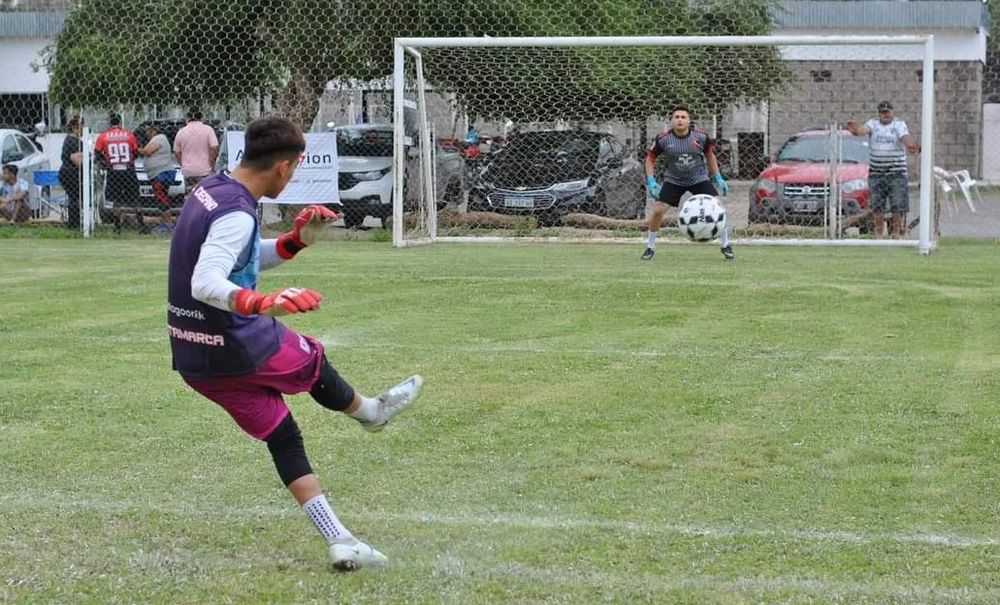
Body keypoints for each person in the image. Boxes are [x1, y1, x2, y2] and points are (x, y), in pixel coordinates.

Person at [167, 115, 423, 572]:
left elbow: (239, 258)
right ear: (285, 166)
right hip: (238, 342)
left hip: (195, 357)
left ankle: (340, 540)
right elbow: (206, 281)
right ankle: (371, 412)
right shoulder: (235, 211)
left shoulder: (210, 192)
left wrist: (293, 243)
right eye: (298, 168)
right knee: (312, 361)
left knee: (283, 434)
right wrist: (264, 302)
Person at [642, 104, 734, 261]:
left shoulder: (701, 137)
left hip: (698, 178)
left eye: (683, 117)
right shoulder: (663, 139)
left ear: (689, 120)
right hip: (673, 180)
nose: (679, 120)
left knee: (717, 206)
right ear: (671, 120)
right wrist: (651, 181)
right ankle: (650, 247)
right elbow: (650, 158)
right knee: (657, 211)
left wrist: (718, 177)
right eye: (676, 117)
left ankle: (726, 245)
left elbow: (710, 156)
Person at [847, 100, 921, 238]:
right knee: (877, 206)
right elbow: (863, 130)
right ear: (879, 113)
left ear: (892, 112)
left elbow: (905, 137)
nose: (885, 115)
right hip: (877, 172)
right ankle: (878, 234)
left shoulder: (899, 124)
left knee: (897, 205)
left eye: (887, 112)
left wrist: (911, 144)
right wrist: (856, 130)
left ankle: (895, 234)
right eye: (882, 112)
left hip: (896, 172)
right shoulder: (873, 123)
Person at [94, 114, 143, 233]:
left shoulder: (103, 136)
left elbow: (97, 153)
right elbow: (136, 151)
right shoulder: (129, 135)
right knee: (135, 199)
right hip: (127, 169)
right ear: (120, 123)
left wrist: (105, 162)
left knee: (116, 200)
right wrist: (130, 160)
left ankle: (117, 227)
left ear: (110, 124)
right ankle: (141, 225)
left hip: (113, 170)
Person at [137, 123, 177, 233]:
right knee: (160, 197)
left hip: (162, 173)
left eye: (149, 131)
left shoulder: (159, 138)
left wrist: (136, 148)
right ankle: (165, 223)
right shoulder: (157, 139)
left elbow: (148, 151)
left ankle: (167, 224)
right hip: (158, 173)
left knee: (161, 197)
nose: (147, 133)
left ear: (154, 131)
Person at [173, 108, 219, 191]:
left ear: (187, 118)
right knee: (205, 195)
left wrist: (182, 164)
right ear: (201, 118)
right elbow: (214, 147)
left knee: (191, 194)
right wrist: (212, 164)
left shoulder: (181, 132)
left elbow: (176, 152)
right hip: (204, 170)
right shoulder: (208, 130)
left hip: (188, 170)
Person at [59, 116, 85, 230]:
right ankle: (74, 224)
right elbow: (74, 158)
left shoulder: (68, 140)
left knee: (74, 198)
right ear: (75, 128)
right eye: (82, 127)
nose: (83, 130)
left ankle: (74, 223)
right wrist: (86, 164)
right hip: (71, 173)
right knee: (75, 199)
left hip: (66, 173)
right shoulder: (74, 141)